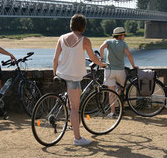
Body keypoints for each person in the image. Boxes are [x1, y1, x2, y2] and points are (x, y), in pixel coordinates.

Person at [53, 14, 106, 146]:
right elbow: (93, 58)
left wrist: (54, 74)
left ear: (71, 25)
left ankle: (69, 116)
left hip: (61, 73)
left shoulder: (62, 38)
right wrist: (103, 64)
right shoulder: (85, 40)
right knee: (75, 109)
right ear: (83, 27)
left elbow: (55, 59)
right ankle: (77, 138)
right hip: (73, 77)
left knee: (71, 102)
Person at [99, 27, 138, 116]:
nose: (124, 37)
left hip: (109, 70)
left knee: (110, 92)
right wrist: (133, 66)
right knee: (121, 89)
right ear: (120, 35)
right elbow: (129, 55)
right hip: (120, 70)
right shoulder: (123, 44)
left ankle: (112, 112)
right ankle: (121, 108)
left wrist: (101, 61)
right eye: (124, 35)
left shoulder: (108, 42)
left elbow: (101, 48)